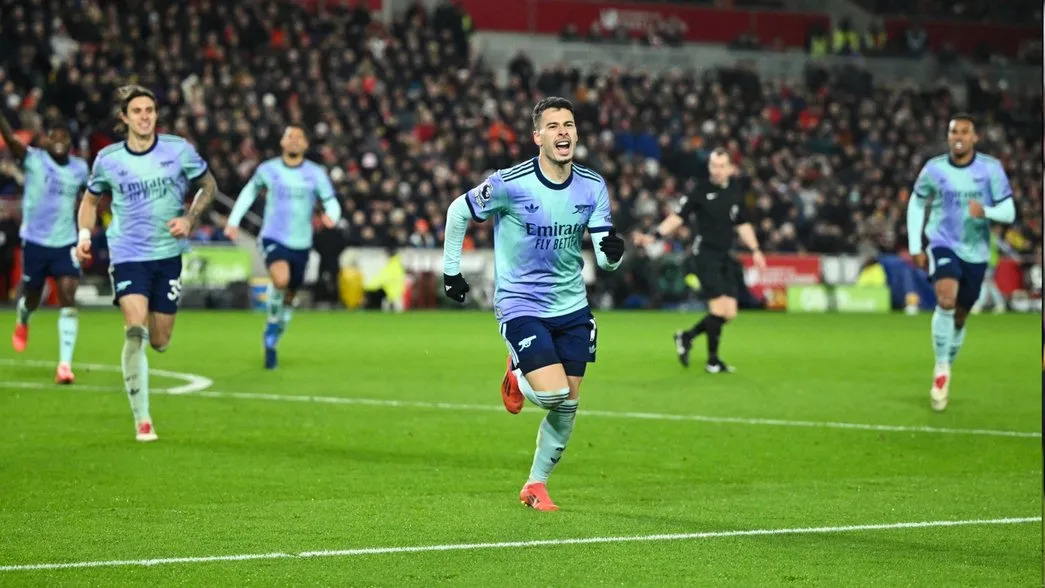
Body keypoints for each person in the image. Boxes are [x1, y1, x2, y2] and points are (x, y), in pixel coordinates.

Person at [441, 97, 625, 511]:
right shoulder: (510, 182)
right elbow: (458, 210)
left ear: (576, 133)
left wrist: (614, 252)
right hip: (521, 303)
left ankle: (535, 485)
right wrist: (452, 271)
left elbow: (607, 256)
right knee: (553, 393)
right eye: (554, 125)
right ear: (537, 136)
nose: (563, 132)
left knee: (568, 404)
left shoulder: (592, 185)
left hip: (572, 306)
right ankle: (516, 373)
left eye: (569, 125)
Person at [76, 85, 218, 441]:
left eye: (149, 110)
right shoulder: (109, 159)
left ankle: (151, 349)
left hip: (167, 255)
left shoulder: (178, 150)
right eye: (137, 111)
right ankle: (143, 419)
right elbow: (91, 202)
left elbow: (208, 185)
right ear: (124, 118)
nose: (144, 117)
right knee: (135, 328)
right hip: (128, 255)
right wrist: (83, 236)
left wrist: (190, 218)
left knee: (160, 340)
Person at [906, 113, 1014, 411]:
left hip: (976, 252)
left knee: (961, 315)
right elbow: (916, 202)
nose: (958, 137)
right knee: (946, 298)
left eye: (965, 132)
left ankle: (947, 364)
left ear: (975, 137)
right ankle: (941, 369)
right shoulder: (934, 169)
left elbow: (1008, 210)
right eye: (954, 132)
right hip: (942, 243)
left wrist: (987, 212)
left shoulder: (990, 169)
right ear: (948, 136)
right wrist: (916, 243)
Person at [634, 148, 766, 373]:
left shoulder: (735, 191)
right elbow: (678, 218)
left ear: (730, 168)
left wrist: (755, 249)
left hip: (725, 255)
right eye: (714, 165)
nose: (718, 170)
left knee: (730, 312)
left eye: (722, 165)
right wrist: (654, 236)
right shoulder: (701, 191)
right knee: (718, 309)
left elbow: (742, 223)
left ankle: (686, 336)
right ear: (709, 167)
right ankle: (712, 360)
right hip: (705, 255)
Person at [225, 125, 340, 369]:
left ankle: (274, 333)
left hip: (302, 243)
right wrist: (234, 221)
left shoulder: (316, 173)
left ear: (306, 145)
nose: (295, 140)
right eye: (290, 136)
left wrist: (332, 215)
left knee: (289, 296)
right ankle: (273, 321)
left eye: (300, 136)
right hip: (273, 237)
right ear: (282, 142)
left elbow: (331, 201)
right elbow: (249, 192)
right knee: (280, 279)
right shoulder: (268, 170)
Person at [2, 105, 88, 383]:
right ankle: (23, 319)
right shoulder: (34, 159)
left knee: (68, 293)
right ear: (47, 140)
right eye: (55, 136)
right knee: (32, 297)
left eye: (65, 136)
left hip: (65, 242)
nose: (60, 140)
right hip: (36, 242)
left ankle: (65, 365)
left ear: (71, 142)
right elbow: (13, 141)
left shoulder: (80, 169)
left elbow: (92, 197)